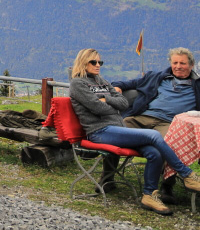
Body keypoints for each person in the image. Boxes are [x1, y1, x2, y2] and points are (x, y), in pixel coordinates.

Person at [69, 48, 200, 215]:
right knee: (153, 136)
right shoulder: (78, 83)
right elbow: (98, 108)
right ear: (83, 63)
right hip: (100, 131)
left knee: (155, 153)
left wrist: (107, 99)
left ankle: (149, 195)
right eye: (93, 62)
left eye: (99, 62)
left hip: (119, 127)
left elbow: (122, 104)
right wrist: (111, 104)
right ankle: (187, 174)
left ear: (191, 65)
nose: (98, 65)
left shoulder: (100, 81)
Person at [110, 47, 200, 202]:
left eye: (183, 63)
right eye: (175, 62)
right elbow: (128, 83)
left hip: (169, 124)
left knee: (169, 144)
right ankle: (107, 178)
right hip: (142, 117)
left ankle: (167, 186)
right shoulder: (157, 77)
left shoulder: (197, 85)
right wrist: (118, 86)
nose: (178, 66)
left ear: (191, 65)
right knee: (115, 132)